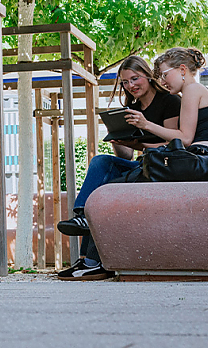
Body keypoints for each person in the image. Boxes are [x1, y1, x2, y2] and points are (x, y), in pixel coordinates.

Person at [56, 55, 181, 280]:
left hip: (163, 168)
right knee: (101, 162)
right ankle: (82, 218)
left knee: (104, 187)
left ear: (148, 76)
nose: (130, 85)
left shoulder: (169, 101)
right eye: (124, 82)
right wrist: (119, 140)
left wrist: (141, 137)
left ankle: (91, 260)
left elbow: (174, 144)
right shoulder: (132, 108)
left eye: (134, 79)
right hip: (141, 164)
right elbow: (127, 156)